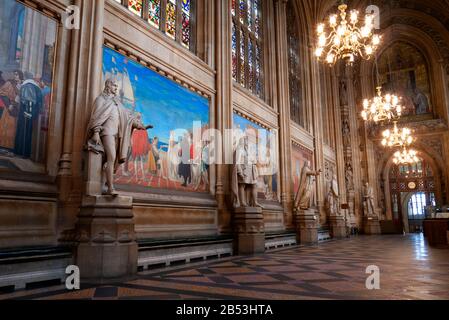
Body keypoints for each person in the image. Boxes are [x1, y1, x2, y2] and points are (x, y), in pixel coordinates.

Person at [86, 79, 148, 196]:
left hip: (117, 134)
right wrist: (95, 132)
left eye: (116, 86)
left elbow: (128, 118)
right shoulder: (101, 100)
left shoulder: (117, 102)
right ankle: (110, 187)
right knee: (112, 157)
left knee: (112, 160)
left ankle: (104, 184)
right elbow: (96, 117)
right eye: (114, 85)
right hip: (106, 132)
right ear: (108, 86)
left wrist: (141, 126)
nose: (116, 88)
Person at [14, 72, 43, 158]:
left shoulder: (28, 86)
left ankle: (22, 153)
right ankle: (24, 153)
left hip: (26, 114)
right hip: (31, 114)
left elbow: (29, 101)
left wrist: (28, 113)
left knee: (24, 131)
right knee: (27, 132)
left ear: (26, 78)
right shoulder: (35, 86)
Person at [231, 136, 262, 208]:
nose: (248, 143)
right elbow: (237, 162)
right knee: (242, 185)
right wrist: (240, 172)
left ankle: (255, 202)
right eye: (247, 141)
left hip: (251, 170)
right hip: (244, 170)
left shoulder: (249, 150)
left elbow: (254, 160)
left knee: (254, 185)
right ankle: (242, 202)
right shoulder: (239, 149)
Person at [0, 70, 23, 150]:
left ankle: (10, 148)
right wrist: (9, 104)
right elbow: (2, 93)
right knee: (5, 126)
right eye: (14, 74)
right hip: (8, 108)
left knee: (13, 129)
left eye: (17, 74)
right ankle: (3, 146)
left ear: (20, 75)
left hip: (17, 109)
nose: (15, 76)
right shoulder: (10, 83)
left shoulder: (22, 85)